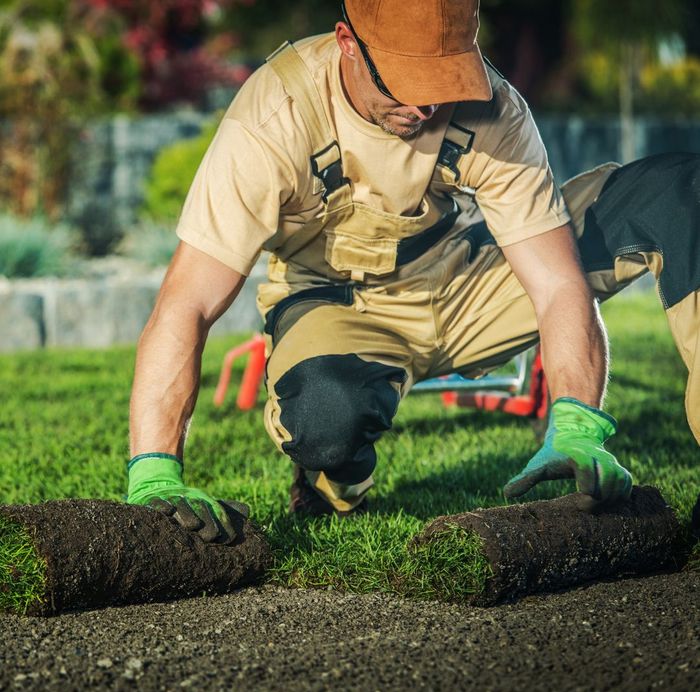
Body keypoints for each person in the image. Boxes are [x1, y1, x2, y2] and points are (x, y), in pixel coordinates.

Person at [126, 0, 700, 543]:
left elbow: (554, 284)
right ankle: (334, 481)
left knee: (676, 194)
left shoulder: (496, 108)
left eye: (444, 83)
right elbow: (188, 302)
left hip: (464, 279)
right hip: (338, 305)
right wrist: (154, 470)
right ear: (347, 42)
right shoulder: (276, 112)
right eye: (404, 82)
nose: (425, 108)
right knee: (326, 418)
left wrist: (577, 421)